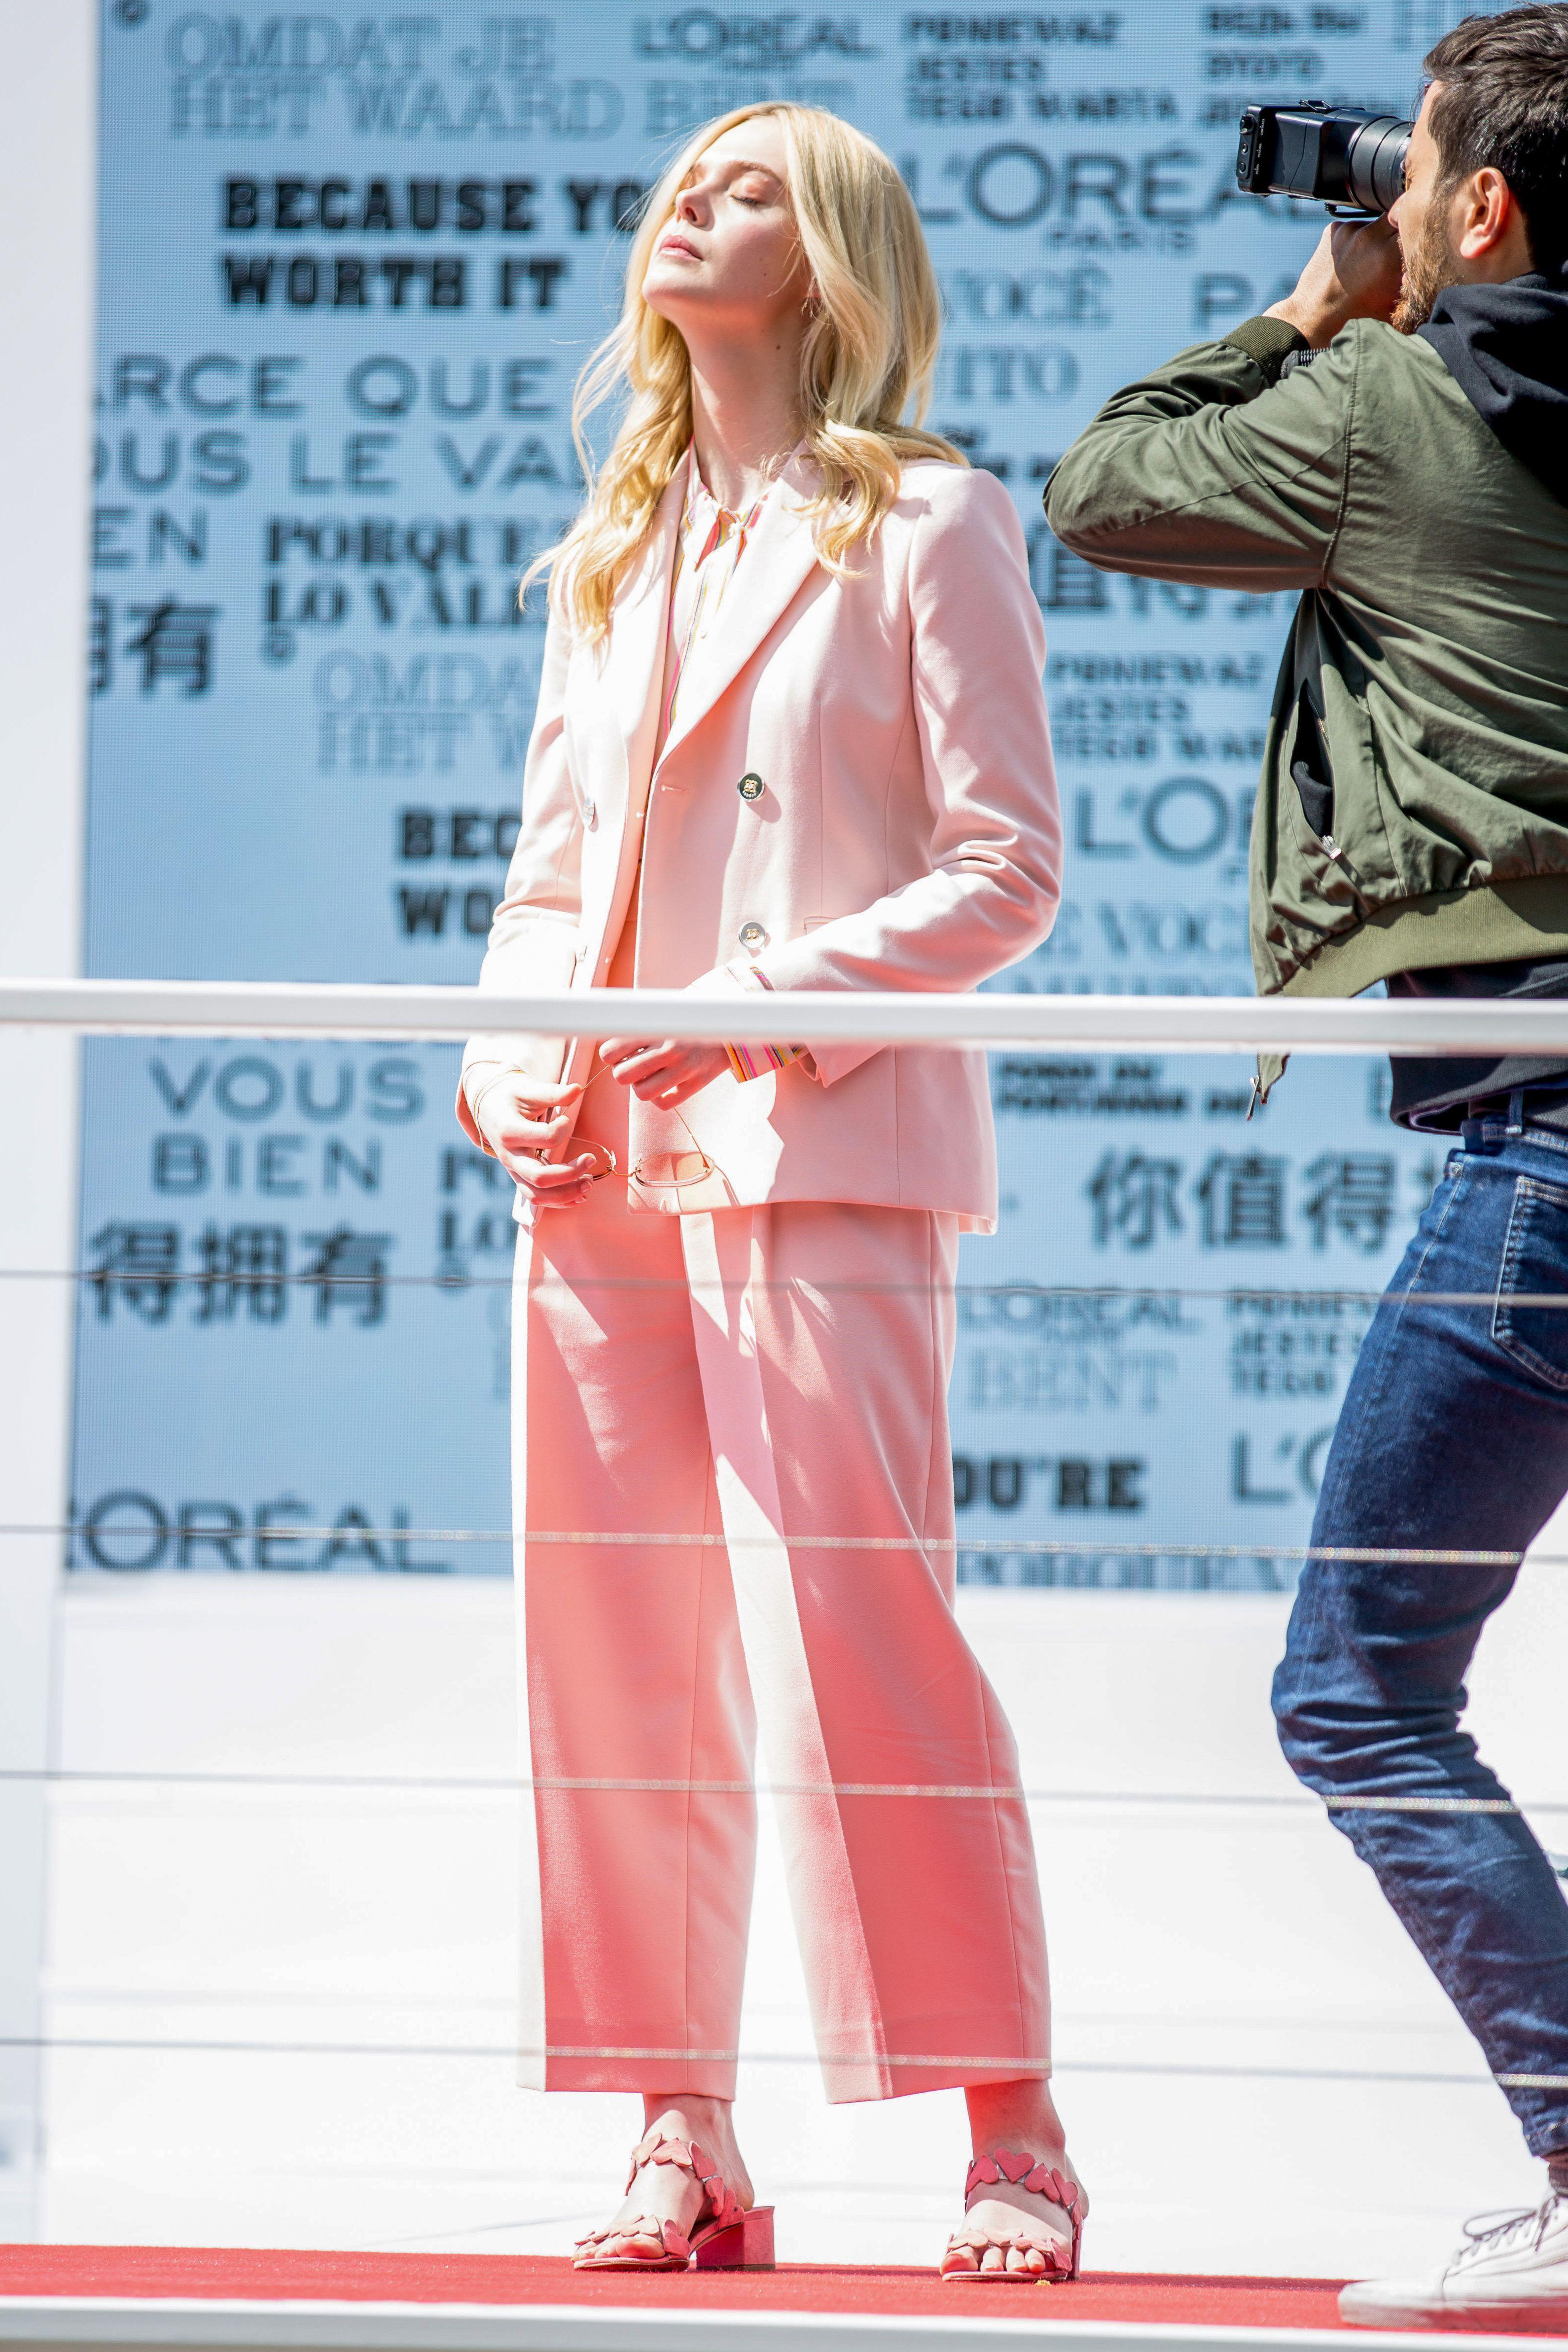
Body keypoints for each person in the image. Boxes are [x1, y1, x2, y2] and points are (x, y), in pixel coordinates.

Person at [456, 102, 1079, 2283]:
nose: (684, 208)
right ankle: (682, 2128)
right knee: (617, 1647)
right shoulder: (616, 541)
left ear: (823, 257)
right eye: (679, 183)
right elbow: (552, 873)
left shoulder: (930, 518)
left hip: (817, 1137)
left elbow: (1009, 867)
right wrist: (509, 1056)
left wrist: (758, 1005)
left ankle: (1016, 2130)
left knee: (862, 1629)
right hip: (601, 1159)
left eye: (741, 188)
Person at [1043, 3, 1568, 2324]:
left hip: (1545, 1137)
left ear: (1485, 206)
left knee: (1358, 1681)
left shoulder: (1387, 404)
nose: (1395, 195)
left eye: (1420, 168)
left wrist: (1310, 304)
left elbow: (1106, 483)